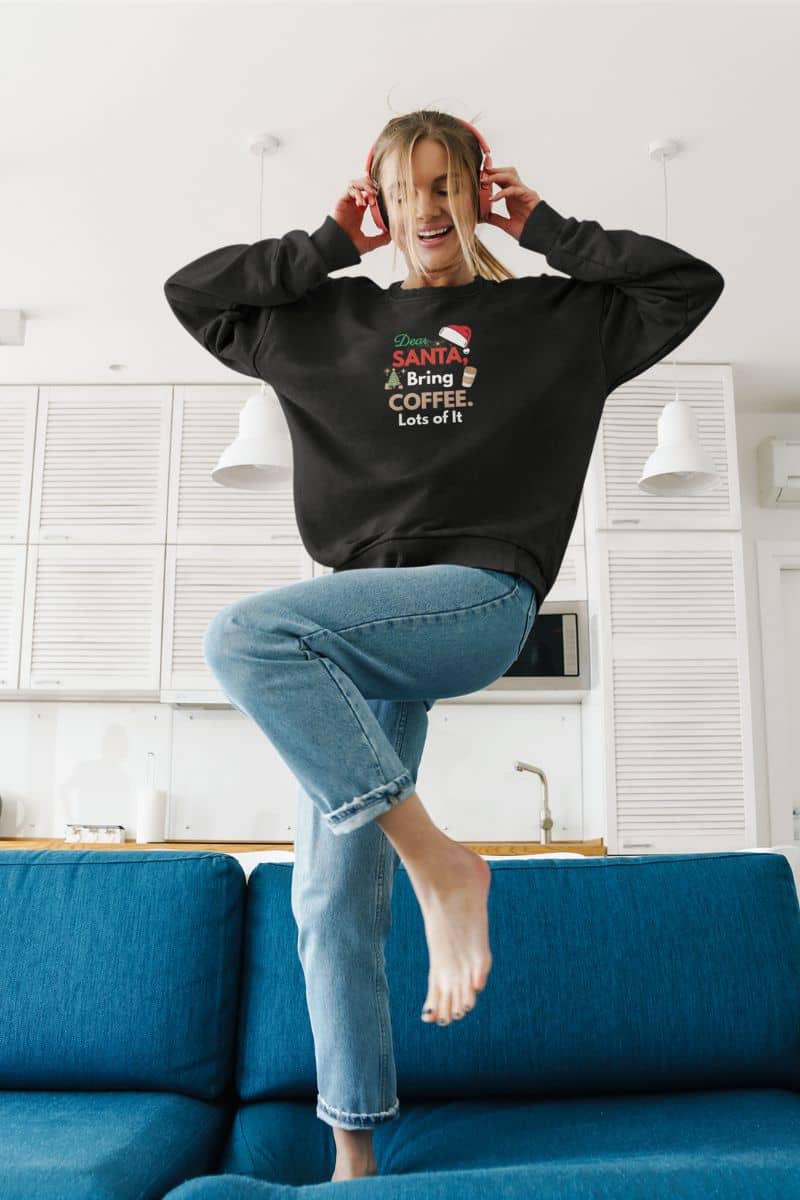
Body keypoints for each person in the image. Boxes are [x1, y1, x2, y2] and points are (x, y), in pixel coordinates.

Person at [163, 109, 724, 1181]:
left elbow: (682, 283)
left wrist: (549, 227)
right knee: (328, 896)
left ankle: (443, 867)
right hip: (349, 628)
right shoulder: (323, 323)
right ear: (377, 199)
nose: (427, 206)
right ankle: (355, 1154)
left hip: (474, 598)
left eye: (446, 183)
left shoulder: (554, 320)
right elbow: (195, 293)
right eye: (404, 186)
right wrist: (326, 245)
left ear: (477, 190)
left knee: (244, 634)